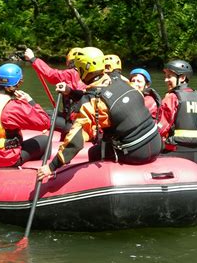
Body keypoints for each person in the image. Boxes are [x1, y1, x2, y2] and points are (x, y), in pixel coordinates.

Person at [37, 47, 162, 180]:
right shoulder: (122, 80)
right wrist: (70, 92)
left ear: (84, 70)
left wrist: (51, 166)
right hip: (157, 143)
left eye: (79, 70)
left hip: (136, 154)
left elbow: (76, 141)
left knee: (94, 151)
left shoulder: (91, 104)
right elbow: (102, 95)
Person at [158, 59, 197, 166]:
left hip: (174, 154)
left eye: (169, 76)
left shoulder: (172, 98)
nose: (166, 80)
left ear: (183, 77)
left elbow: (159, 129)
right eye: (165, 76)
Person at [24, 47, 86, 136]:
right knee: (48, 112)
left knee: (42, 115)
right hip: (78, 118)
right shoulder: (89, 75)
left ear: (69, 61)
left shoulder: (71, 73)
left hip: (73, 121)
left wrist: (33, 59)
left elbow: (50, 75)